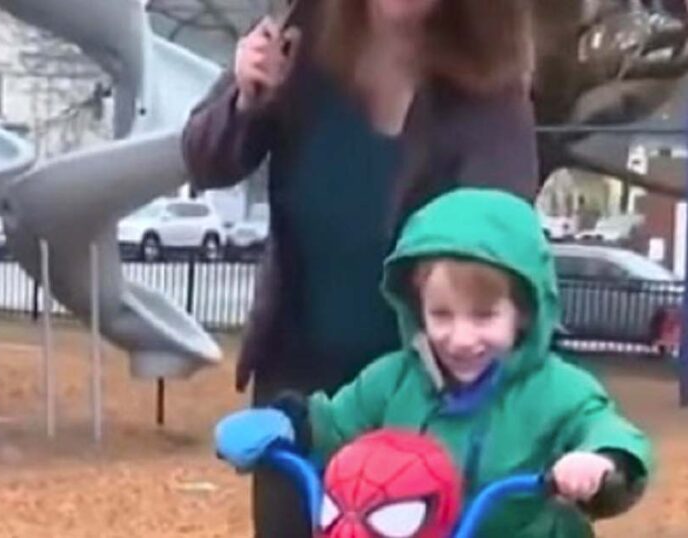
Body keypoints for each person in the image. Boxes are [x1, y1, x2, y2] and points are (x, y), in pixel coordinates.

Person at [181, 0, 537, 535]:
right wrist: (246, 99)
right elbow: (205, 161)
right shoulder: (299, 42)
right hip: (299, 382)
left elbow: (498, 242)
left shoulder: (490, 91)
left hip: (425, 391)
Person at [218, 188, 654, 537]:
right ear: (416, 310)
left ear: (523, 313)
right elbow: (334, 423)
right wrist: (287, 424)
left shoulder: (558, 391)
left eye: (484, 316)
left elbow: (605, 429)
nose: (461, 339)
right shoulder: (394, 380)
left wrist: (601, 463)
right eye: (442, 315)